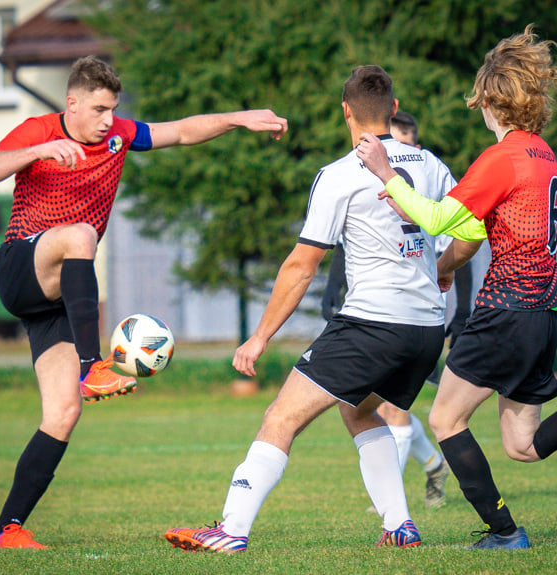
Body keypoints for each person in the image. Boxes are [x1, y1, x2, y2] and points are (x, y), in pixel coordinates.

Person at [356, 25, 557, 550]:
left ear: (489, 100)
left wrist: (385, 172)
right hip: (542, 311)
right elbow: (474, 229)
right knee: (523, 444)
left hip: (506, 309)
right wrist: (447, 266)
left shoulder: (500, 159)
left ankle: (505, 532)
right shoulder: (542, 155)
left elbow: (440, 218)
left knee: (444, 416)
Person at [0, 55, 288, 549]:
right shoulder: (38, 129)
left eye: (111, 109)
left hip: (53, 300)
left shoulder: (117, 134)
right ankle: (93, 363)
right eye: (96, 109)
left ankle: (6, 529)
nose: (105, 119)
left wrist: (237, 119)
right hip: (19, 267)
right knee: (79, 234)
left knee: (62, 414)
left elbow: (180, 132)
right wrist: (37, 152)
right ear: (71, 103)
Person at [164, 65, 469, 554]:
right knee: (361, 411)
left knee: (280, 418)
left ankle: (231, 530)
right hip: (426, 328)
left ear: (345, 111)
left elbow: (301, 266)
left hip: (373, 323)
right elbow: (467, 231)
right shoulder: (431, 165)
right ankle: (400, 526)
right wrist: (446, 267)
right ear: (393, 110)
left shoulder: (341, 174)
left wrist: (259, 337)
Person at [321, 110, 451, 510]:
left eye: (406, 141)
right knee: (379, 405)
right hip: (383, 312)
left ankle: (389, 506)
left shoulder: (428, 183)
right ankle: (432, 463)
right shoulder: (372, 182)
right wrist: (334, 288)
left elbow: (457, 245)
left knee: (387, 406)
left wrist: (456, 313)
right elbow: (351, 242)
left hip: (420, 311)